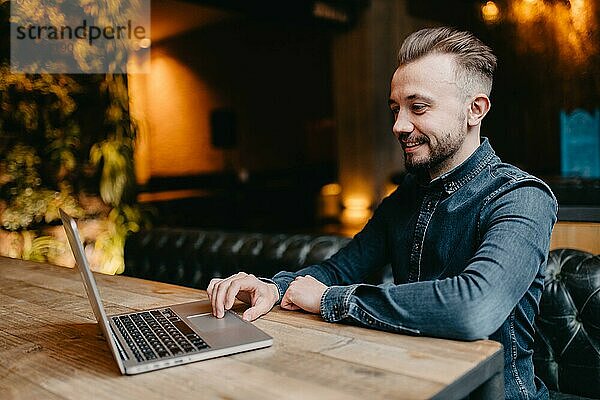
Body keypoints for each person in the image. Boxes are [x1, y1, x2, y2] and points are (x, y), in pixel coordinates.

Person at [207, 26, 557, 400]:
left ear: (475, 109)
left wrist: (331, 301)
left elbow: (473, 309)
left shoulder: (521, 197)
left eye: (417, 107)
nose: (399, 125)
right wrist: (271, 288)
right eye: (395, 109)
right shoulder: (405, 198)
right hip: (412, 384)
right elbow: (338, 269)